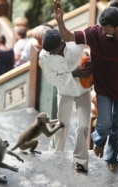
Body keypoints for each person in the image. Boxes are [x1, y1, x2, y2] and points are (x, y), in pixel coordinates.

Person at [54, 1, 118, 171]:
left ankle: (112, 157)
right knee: (105, 123)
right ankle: (99, 141)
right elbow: (69, 37)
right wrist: (60, 21)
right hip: (103, 88)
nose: (103, 30)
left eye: (106, 28)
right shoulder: (95, 32)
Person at [39, 29, 92, 172]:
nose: (51, 54)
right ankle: (56, 155)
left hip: (83, 90)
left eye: (53, 51)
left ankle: (80, 160)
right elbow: (51, 79)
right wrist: (72, 74)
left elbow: (91, 56)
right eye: (49, 51)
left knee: (83, 126)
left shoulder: (77, 45)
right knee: (61, 126)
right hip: (65, 91)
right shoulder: (44, 55)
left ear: (62, 43)